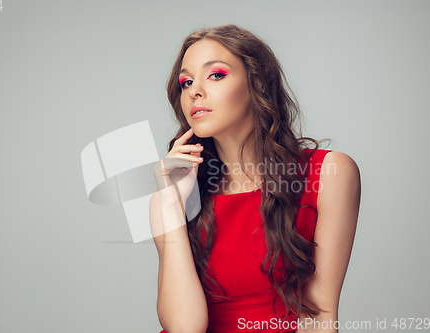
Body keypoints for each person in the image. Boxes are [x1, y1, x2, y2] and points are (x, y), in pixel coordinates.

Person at [149, 24, 361, 333]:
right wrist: (170, 205)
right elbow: (185, 327)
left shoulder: (328, 173)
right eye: (186, 81)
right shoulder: (170, 196)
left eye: (216, 75)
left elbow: (319, 318)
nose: (194, 90)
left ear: (256, 84)